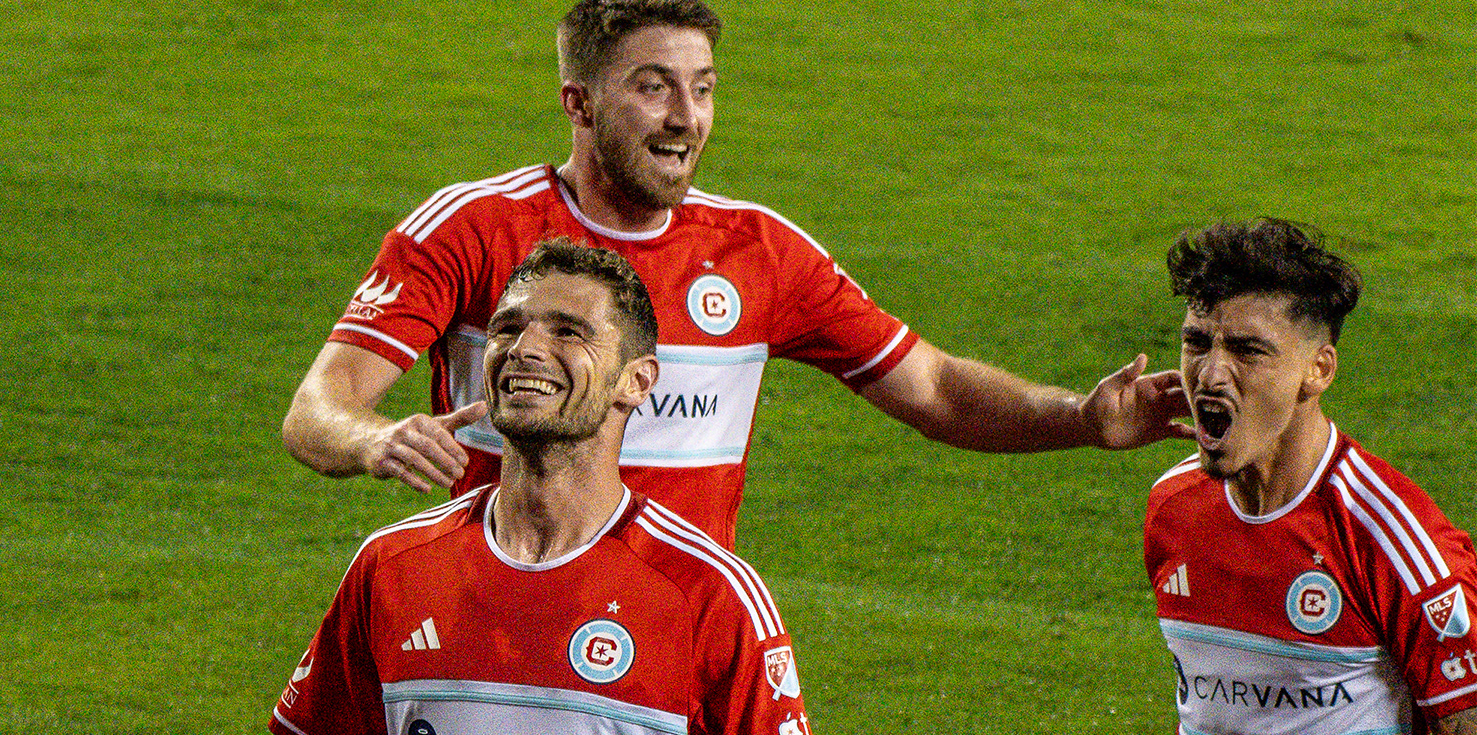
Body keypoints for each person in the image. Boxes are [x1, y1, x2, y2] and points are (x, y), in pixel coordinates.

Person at [280, 0, 1191, 549]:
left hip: (669, 635)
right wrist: (373, 440)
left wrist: (1080, 419)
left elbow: (937, 389)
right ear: (579, 103)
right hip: (486, 606)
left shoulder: (760, 253)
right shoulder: (475, 229)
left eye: (704, 86)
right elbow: (319, 408)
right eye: (653, 87)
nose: (687, 117)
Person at [187, 239, 872, 735]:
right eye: (508, 328)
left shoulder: (705, 592)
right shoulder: (394, 567)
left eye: (569, 331)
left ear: (636, 381)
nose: (525, 349)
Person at [1126, 218, 1477, 735]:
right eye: (1197, 342)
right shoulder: (1173, 506)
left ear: (1318, 370)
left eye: (1247, 351)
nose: (1209, 374)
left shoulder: (1392, 538)